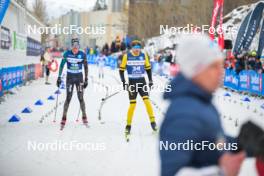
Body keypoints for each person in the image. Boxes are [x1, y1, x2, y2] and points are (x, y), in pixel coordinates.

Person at [160, 34, 246, 176]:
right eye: (213, 66)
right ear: (195, 70)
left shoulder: (201, 102)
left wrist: (245, 144)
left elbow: (213, 143)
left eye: (221, 65)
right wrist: (222, 172)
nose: (221, 72)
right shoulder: (183, 114)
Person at [119, 39, 158, 141]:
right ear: (132, 48)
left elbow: (148, 69)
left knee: (147, 101)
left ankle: (153, 123)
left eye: (139, 48)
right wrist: (124, 83)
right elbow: (121, 70)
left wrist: (150, 80)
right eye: (135, 49)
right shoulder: (126, 56)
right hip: (132, 82)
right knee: (132, 104)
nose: (137, 51)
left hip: (142, 81)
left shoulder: (143, 55)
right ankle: (128, 125)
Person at [56, 38, 89, 130]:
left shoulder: (82, 54)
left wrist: (86, 79)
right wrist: (59, 77)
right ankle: (64, 117)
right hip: (70, 78)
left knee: (81, 98)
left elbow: (86, 67)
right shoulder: (67, 54)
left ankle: (84, 116)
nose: (75, 49)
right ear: (72, 47)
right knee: (68, 98)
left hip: (79, 79)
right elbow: (62, 65)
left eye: (77, 47)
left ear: (79, 46)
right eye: (74, 47)